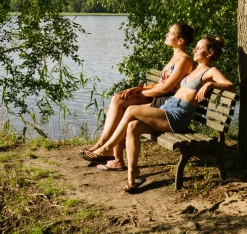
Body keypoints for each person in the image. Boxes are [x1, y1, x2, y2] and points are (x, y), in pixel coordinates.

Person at [92, 36, 233, 193]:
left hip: (178, 116)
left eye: (199, 48)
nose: (194, 50)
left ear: (210, 53)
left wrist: (210, 84)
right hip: (167, 109)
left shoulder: (210, 71)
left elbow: (230, 86)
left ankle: (108, 148)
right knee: (133, 126)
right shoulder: (195, 70)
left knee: (131, 109)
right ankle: (133, 175)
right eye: (196, 47)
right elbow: (168, 85)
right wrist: (142, 89)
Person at [79, 22, 195, 162]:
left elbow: (166, 89)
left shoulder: (184, 60)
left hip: (165, 102)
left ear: (180, 41)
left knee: (124, 108)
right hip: (157, 96)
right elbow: (160, 84)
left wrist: (140, 94)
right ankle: (101, 144)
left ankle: (111, 153)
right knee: (118, 99)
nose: (166, 35)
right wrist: (139, 89)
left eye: (170, 33)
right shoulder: (175, 58)